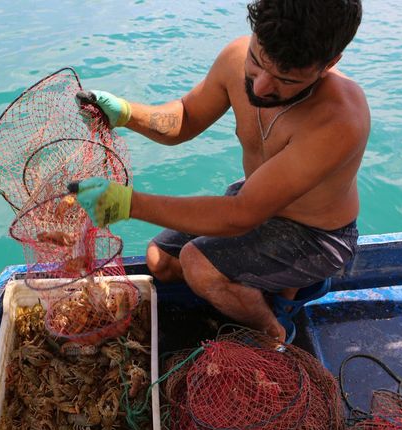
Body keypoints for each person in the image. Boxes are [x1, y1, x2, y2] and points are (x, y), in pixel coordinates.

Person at [74, 0, 368, 343]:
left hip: (318, 235)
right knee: (160, 262)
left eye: (285, 80)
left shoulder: (339, 119)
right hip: (254, 200)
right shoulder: (235, 57)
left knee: (198, 264)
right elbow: (185, 116)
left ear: (329, 64)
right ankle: (274, 286)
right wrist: (125, 113)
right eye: (256, 63)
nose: (259, 88)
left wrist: (129, 204)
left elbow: (239, 215)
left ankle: (274, 331)